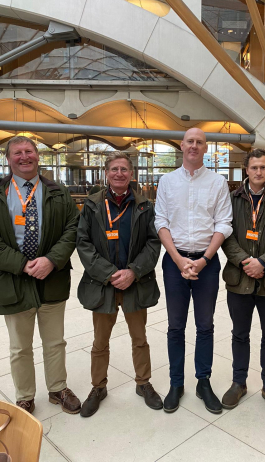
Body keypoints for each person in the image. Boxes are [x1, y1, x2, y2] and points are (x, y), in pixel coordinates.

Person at [77, 151, 163, 417]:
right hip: (103, 284)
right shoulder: (92, 205)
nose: (119, 174)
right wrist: (110, 273)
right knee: (100, 341)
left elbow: (153, 242)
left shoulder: (144, 205)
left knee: (140, 338)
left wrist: (132, 272)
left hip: (135, 283)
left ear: (132, 174)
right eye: (114, 169)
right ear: (106, 173)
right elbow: (83, 243)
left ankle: (143, 383)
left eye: (124, 169)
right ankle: (98, 387)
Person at [0, 136, 81, 414]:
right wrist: (22, 263)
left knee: (55, 341)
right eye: (17, 153)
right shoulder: (0, 192)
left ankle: (58, 388)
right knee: (19, 347)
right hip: (14, 280)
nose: (24, 157)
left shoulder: (58, 192)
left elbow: (73, 228)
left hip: (52, 278)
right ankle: (24, 395)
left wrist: (51, 259)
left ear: (38, 155)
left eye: (29, 151)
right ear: (8, 159)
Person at [155, 128, 232, 414]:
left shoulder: (217, 182)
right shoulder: (167, 180)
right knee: (175, 326)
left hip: (206, 264)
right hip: (174, 263)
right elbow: (160, 220)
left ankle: (203, 381)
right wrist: (176, 259)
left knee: (205, 326)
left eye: (200, 142)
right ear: (182, 145)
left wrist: (204, 260)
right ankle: (177, 384)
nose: (194, 146)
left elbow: (224, 223)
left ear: (205, 148)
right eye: (190, 141)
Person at [221, 149, 265, 415]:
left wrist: (263, 263)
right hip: (239, 280)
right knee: (239, 334)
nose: (259, 172)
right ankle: (239, 383)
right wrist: (244, 261)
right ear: (246, 170)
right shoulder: (232, 199)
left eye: (263, 167)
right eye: (254, 168)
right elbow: (225, 234)